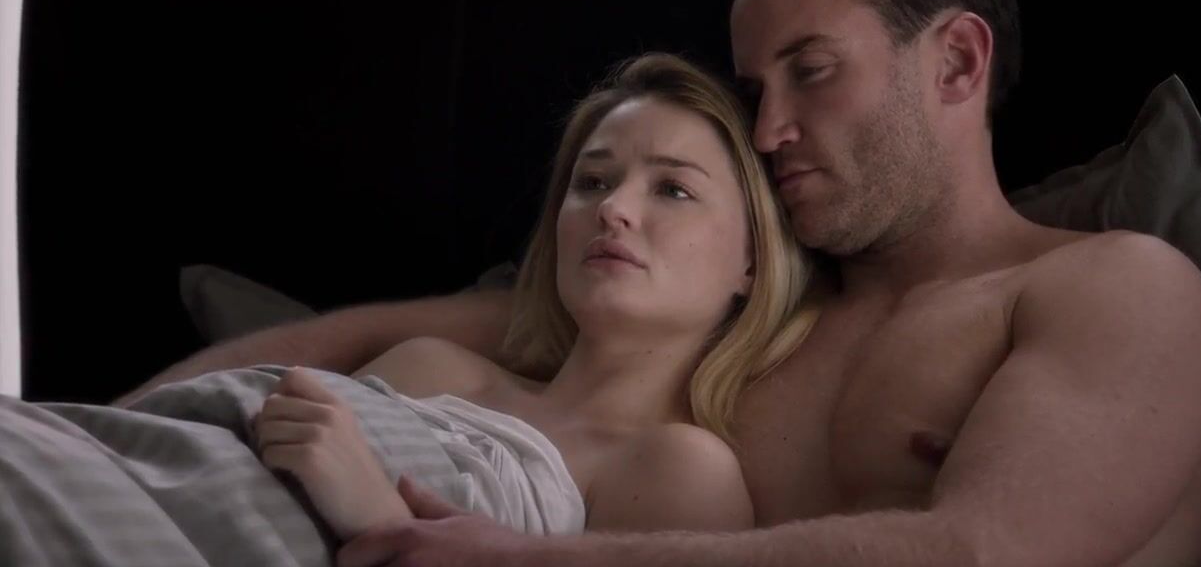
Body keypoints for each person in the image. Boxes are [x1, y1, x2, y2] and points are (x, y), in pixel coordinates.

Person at [120, 0, 1201, 567]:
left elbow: (983, 551)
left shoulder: (1115, 286)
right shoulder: (737, 310)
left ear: (954, 62)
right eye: (755, 90)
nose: (769, 129)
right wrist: (112, 429)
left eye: (812, 72)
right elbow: (351, 337)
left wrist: (511, 560)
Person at [251, 51, 822, 540]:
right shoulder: (425, 366)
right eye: (592, 182)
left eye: (673, 189)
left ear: (752, 262)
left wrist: (378, 519)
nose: (612, 208)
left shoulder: (680, 470)